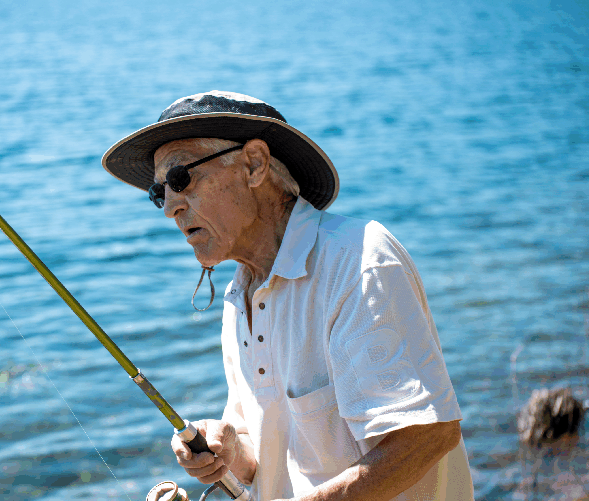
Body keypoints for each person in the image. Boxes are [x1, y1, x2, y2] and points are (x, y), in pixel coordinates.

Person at [102, 91, 474, 501]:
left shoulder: (357, 260)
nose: (170, 206)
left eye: (180, 179)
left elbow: (427, 436)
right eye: (160, 193)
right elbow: (261, 461)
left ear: (254, 164)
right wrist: (228, 448)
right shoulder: (239, 293)